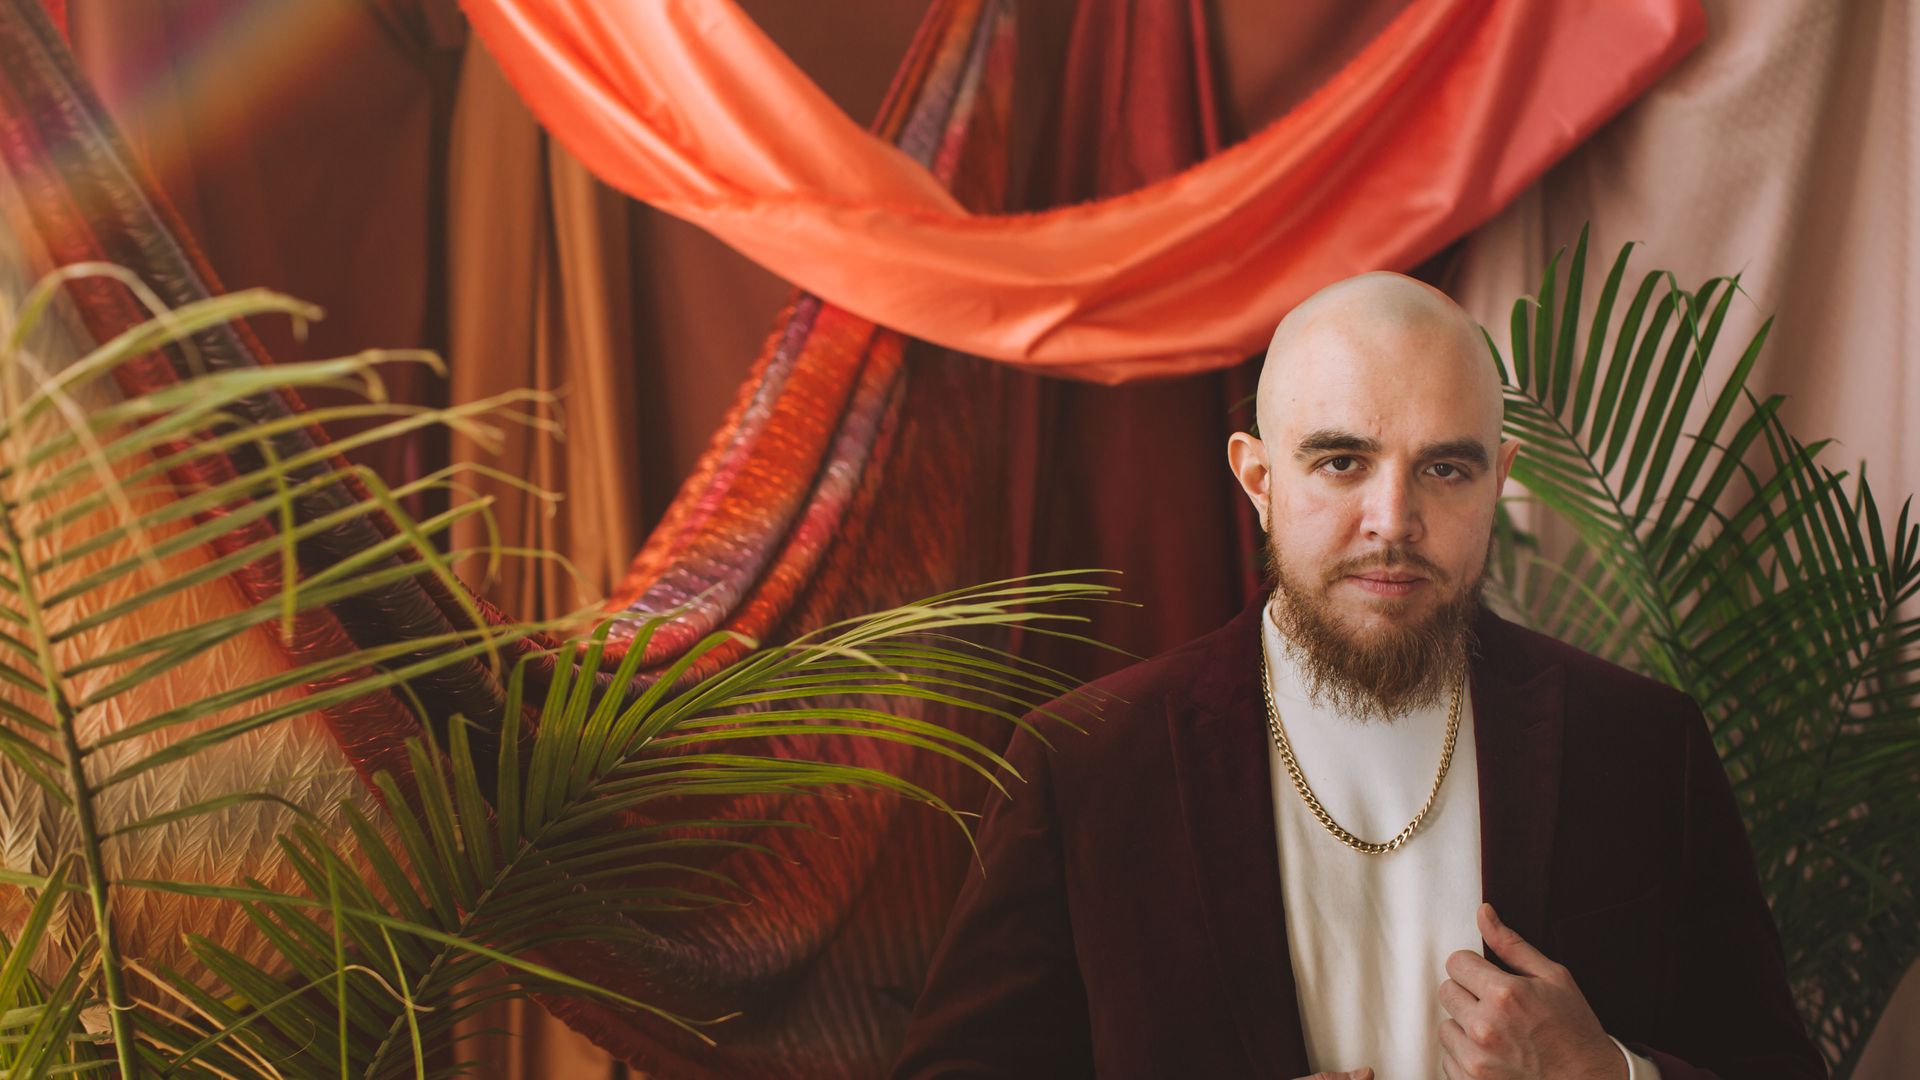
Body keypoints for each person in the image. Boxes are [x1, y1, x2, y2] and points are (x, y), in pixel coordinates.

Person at [891, 273, 1826, 1079]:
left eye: (1446, 470)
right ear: (1258, 479)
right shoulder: (1089, 763)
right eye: (1341, 461)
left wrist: (1606, 1073)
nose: (1394, 519)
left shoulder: (1643, 744)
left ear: (1499, 479)